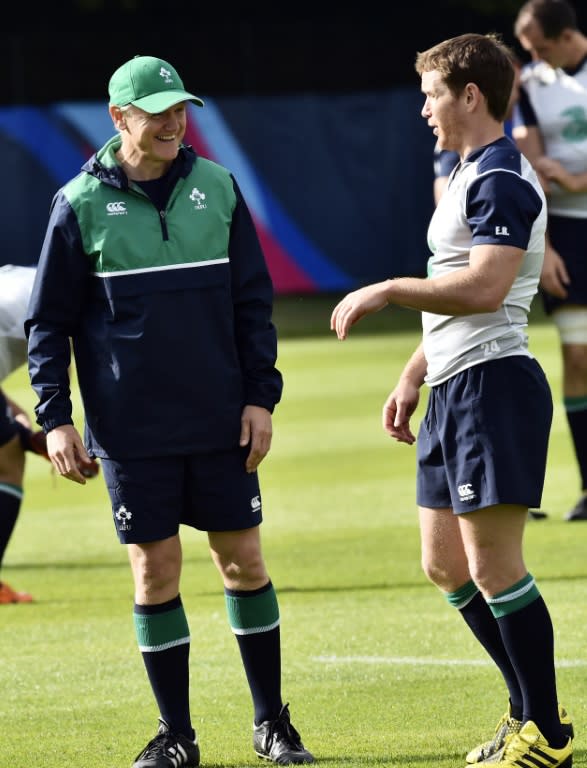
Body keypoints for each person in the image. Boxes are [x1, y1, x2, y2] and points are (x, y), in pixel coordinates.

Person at [25, 54, 314, 768]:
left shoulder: (217, 188)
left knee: (242, 562)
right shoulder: (79, 204)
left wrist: (259, 398)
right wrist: (56, 417)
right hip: (130, 430)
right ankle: (175, 735)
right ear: (120, 118)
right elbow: (47, 323)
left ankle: (271, 724)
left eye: (180, 110)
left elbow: (252, 303)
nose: (174, 123)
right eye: (157, 112)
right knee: (155, 574)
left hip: (219, 418)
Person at [331, 32, 573, 768]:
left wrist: (388, 288)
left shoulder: (502, 176)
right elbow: (453, 294)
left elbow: (485, 290)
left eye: (432, 93)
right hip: (454, 385)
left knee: (495, 567)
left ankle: (549, 737)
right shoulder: (465, 169)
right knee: (445, 566)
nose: (424, 107)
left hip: (493, 387)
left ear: (471, 95)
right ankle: (528, 712)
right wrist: (413, 373)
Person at [513, 0, 587, 522]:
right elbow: (532, 162)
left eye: (539, 48)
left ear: (566, 36)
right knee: (578, 358)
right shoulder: (532, 88)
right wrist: (546, 246)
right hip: (567, 232)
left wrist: (581, 181)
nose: (534, 58)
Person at [0, 265, 98, 604]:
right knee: (8, 460)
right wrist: (56, 432)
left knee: (12, 441)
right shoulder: (65, 302)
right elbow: (62, 364)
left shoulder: (35, 281)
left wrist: (28, 428)